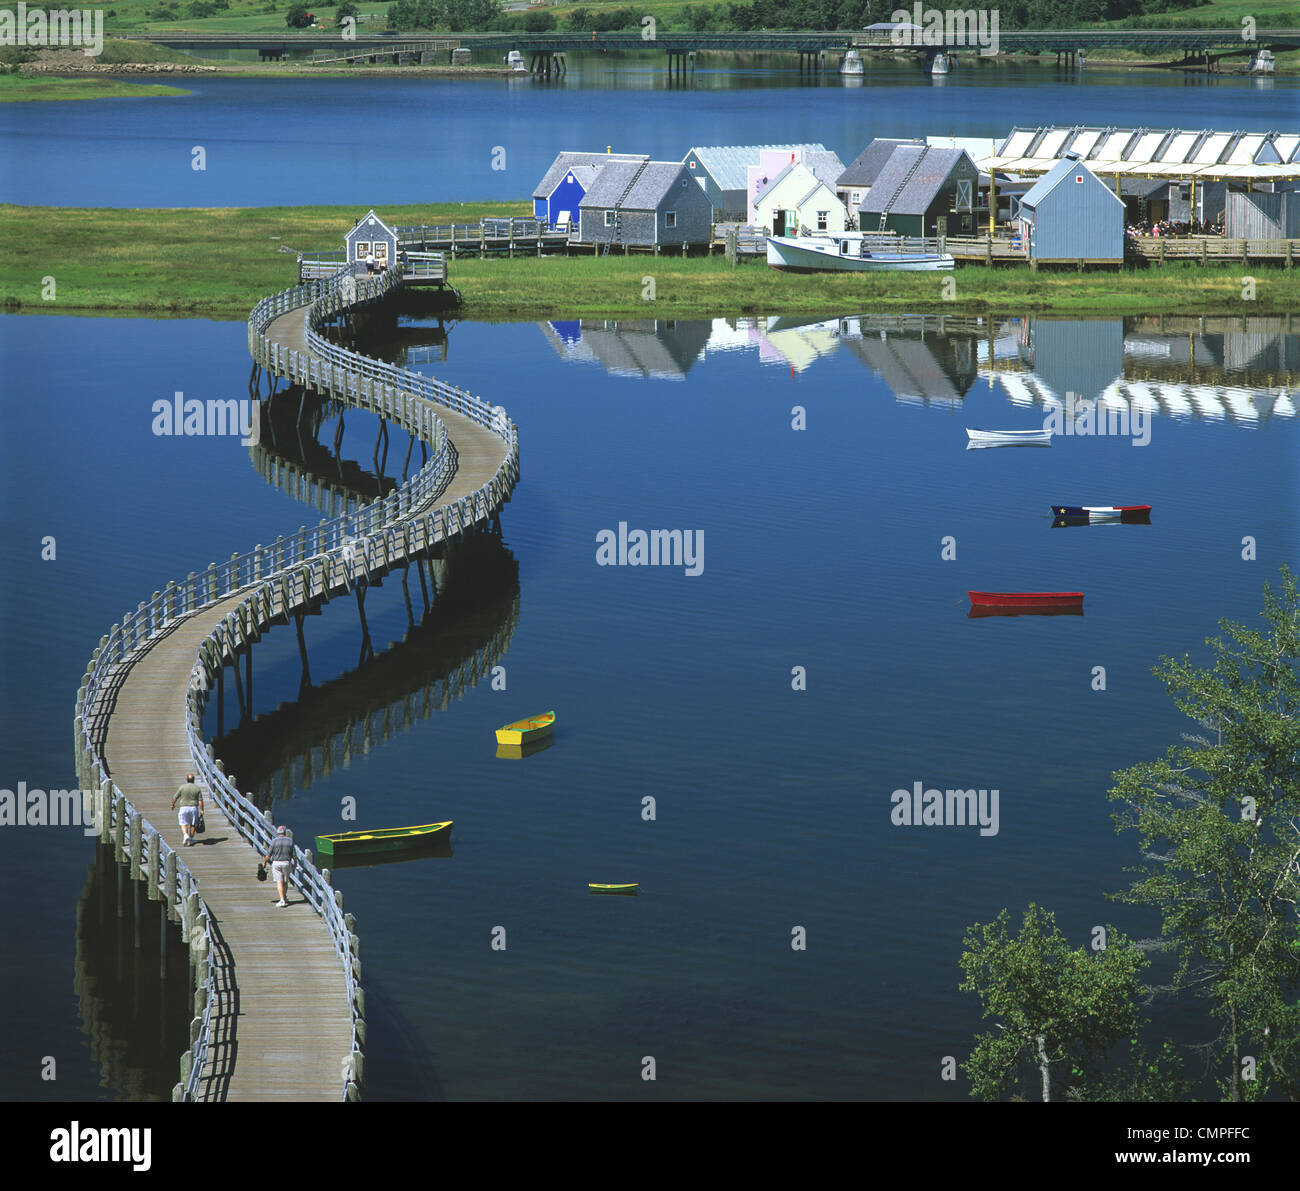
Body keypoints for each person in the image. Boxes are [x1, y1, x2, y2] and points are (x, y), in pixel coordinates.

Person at [263, 824, 295, 908]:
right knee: (285, 882)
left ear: (277, 832)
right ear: (285, 832)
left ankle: (282, 900)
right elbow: (293, 855)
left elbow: (268, 855)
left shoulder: (274, 841)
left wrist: (265, 863)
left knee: (279, 882)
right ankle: (284, 897)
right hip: (286, 863)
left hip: (276, 863)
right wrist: (295, 863)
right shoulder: (290, 841)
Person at [170, 773, 204, 846]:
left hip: (183, 808)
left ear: (187, 780)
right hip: (193, 808)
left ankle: (185, 835)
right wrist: (201, 810)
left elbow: (175, 797)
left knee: (183, 823)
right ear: (194, 780)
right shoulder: (197, 788)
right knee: (193, 824)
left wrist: (173, 805)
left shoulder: (182, 787)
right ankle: (191, 839)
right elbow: (200, 801)